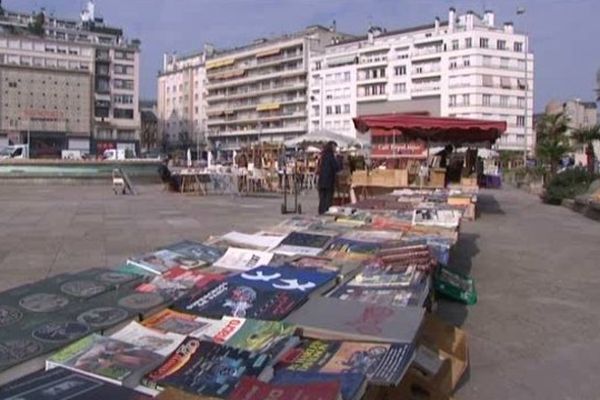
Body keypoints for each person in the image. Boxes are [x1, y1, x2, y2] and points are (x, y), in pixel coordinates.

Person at [317, 141, 340, 215]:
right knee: (328, 198)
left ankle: (321, 212)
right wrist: (339, 160)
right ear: (332, 147)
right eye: (335, 147)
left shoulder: (323, 155)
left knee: (322, 198)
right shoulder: (330, 156)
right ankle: (326, 212)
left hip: (321, 180)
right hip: (328, 181)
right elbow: (336, 167)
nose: (335, 149)